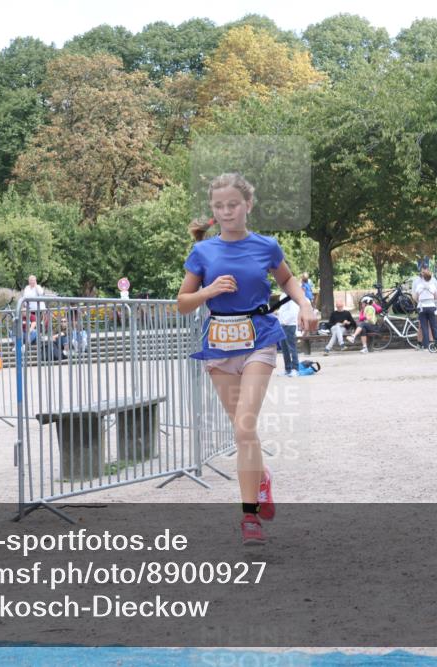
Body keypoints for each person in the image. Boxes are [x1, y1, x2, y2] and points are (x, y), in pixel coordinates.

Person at [177, 172, 315, 546]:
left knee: (242, 428)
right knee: (246, 433)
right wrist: (208, 290)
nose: (226, 212)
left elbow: (288, 281)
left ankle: (249, 518)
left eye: (233, 205)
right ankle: (262, 476)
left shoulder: (267, 246)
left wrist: (304, 304)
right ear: (213, 209)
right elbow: (182, 303)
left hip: (259, 340)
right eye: (219, 206)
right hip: (219, 345)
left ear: (248, 205)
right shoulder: (202, 252)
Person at [413, 268, 437, 350]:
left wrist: (420, 300)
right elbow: (436, 297)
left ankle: (426, 344)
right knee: (434, 325)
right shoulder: (432, 285)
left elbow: (416, 297)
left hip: (422, 307)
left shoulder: (419, 285)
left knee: (424, 326)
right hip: (431, 306)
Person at [276, 293, 300, 376]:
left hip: (290, 324)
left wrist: (286, 321)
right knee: (284, 348)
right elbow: (282, 309)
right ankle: (287, 369)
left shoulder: (292, 294)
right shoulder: (282, 295)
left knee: (291, 347)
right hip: (282, 324)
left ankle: (295, 369)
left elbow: (294, 310)